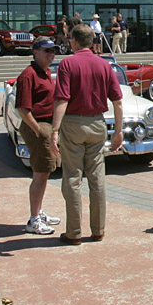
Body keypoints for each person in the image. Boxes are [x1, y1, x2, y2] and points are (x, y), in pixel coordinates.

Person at [51, 24, 123, 245]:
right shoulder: (104, 65)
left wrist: (54, 130)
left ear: (73, 41)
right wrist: (118, 132)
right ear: (92, 41)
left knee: (72, 178)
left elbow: (62, 99)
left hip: (73, 123)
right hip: (98, 123)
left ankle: (73, 232)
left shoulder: (67, 63)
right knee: (97, 178)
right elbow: (118, 102)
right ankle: (98, 230)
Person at [15, 38, 62, 235]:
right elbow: (22, 109)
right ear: (35, 52)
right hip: (38, 125)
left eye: (53, 51)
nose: (50, 54)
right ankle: (34, 219)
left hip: (46, 125)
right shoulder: (28, 75)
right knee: (41, 174)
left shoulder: (45, 73)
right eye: (46, 51)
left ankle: (39, 212)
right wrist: (38, 131)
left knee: (45, 173)